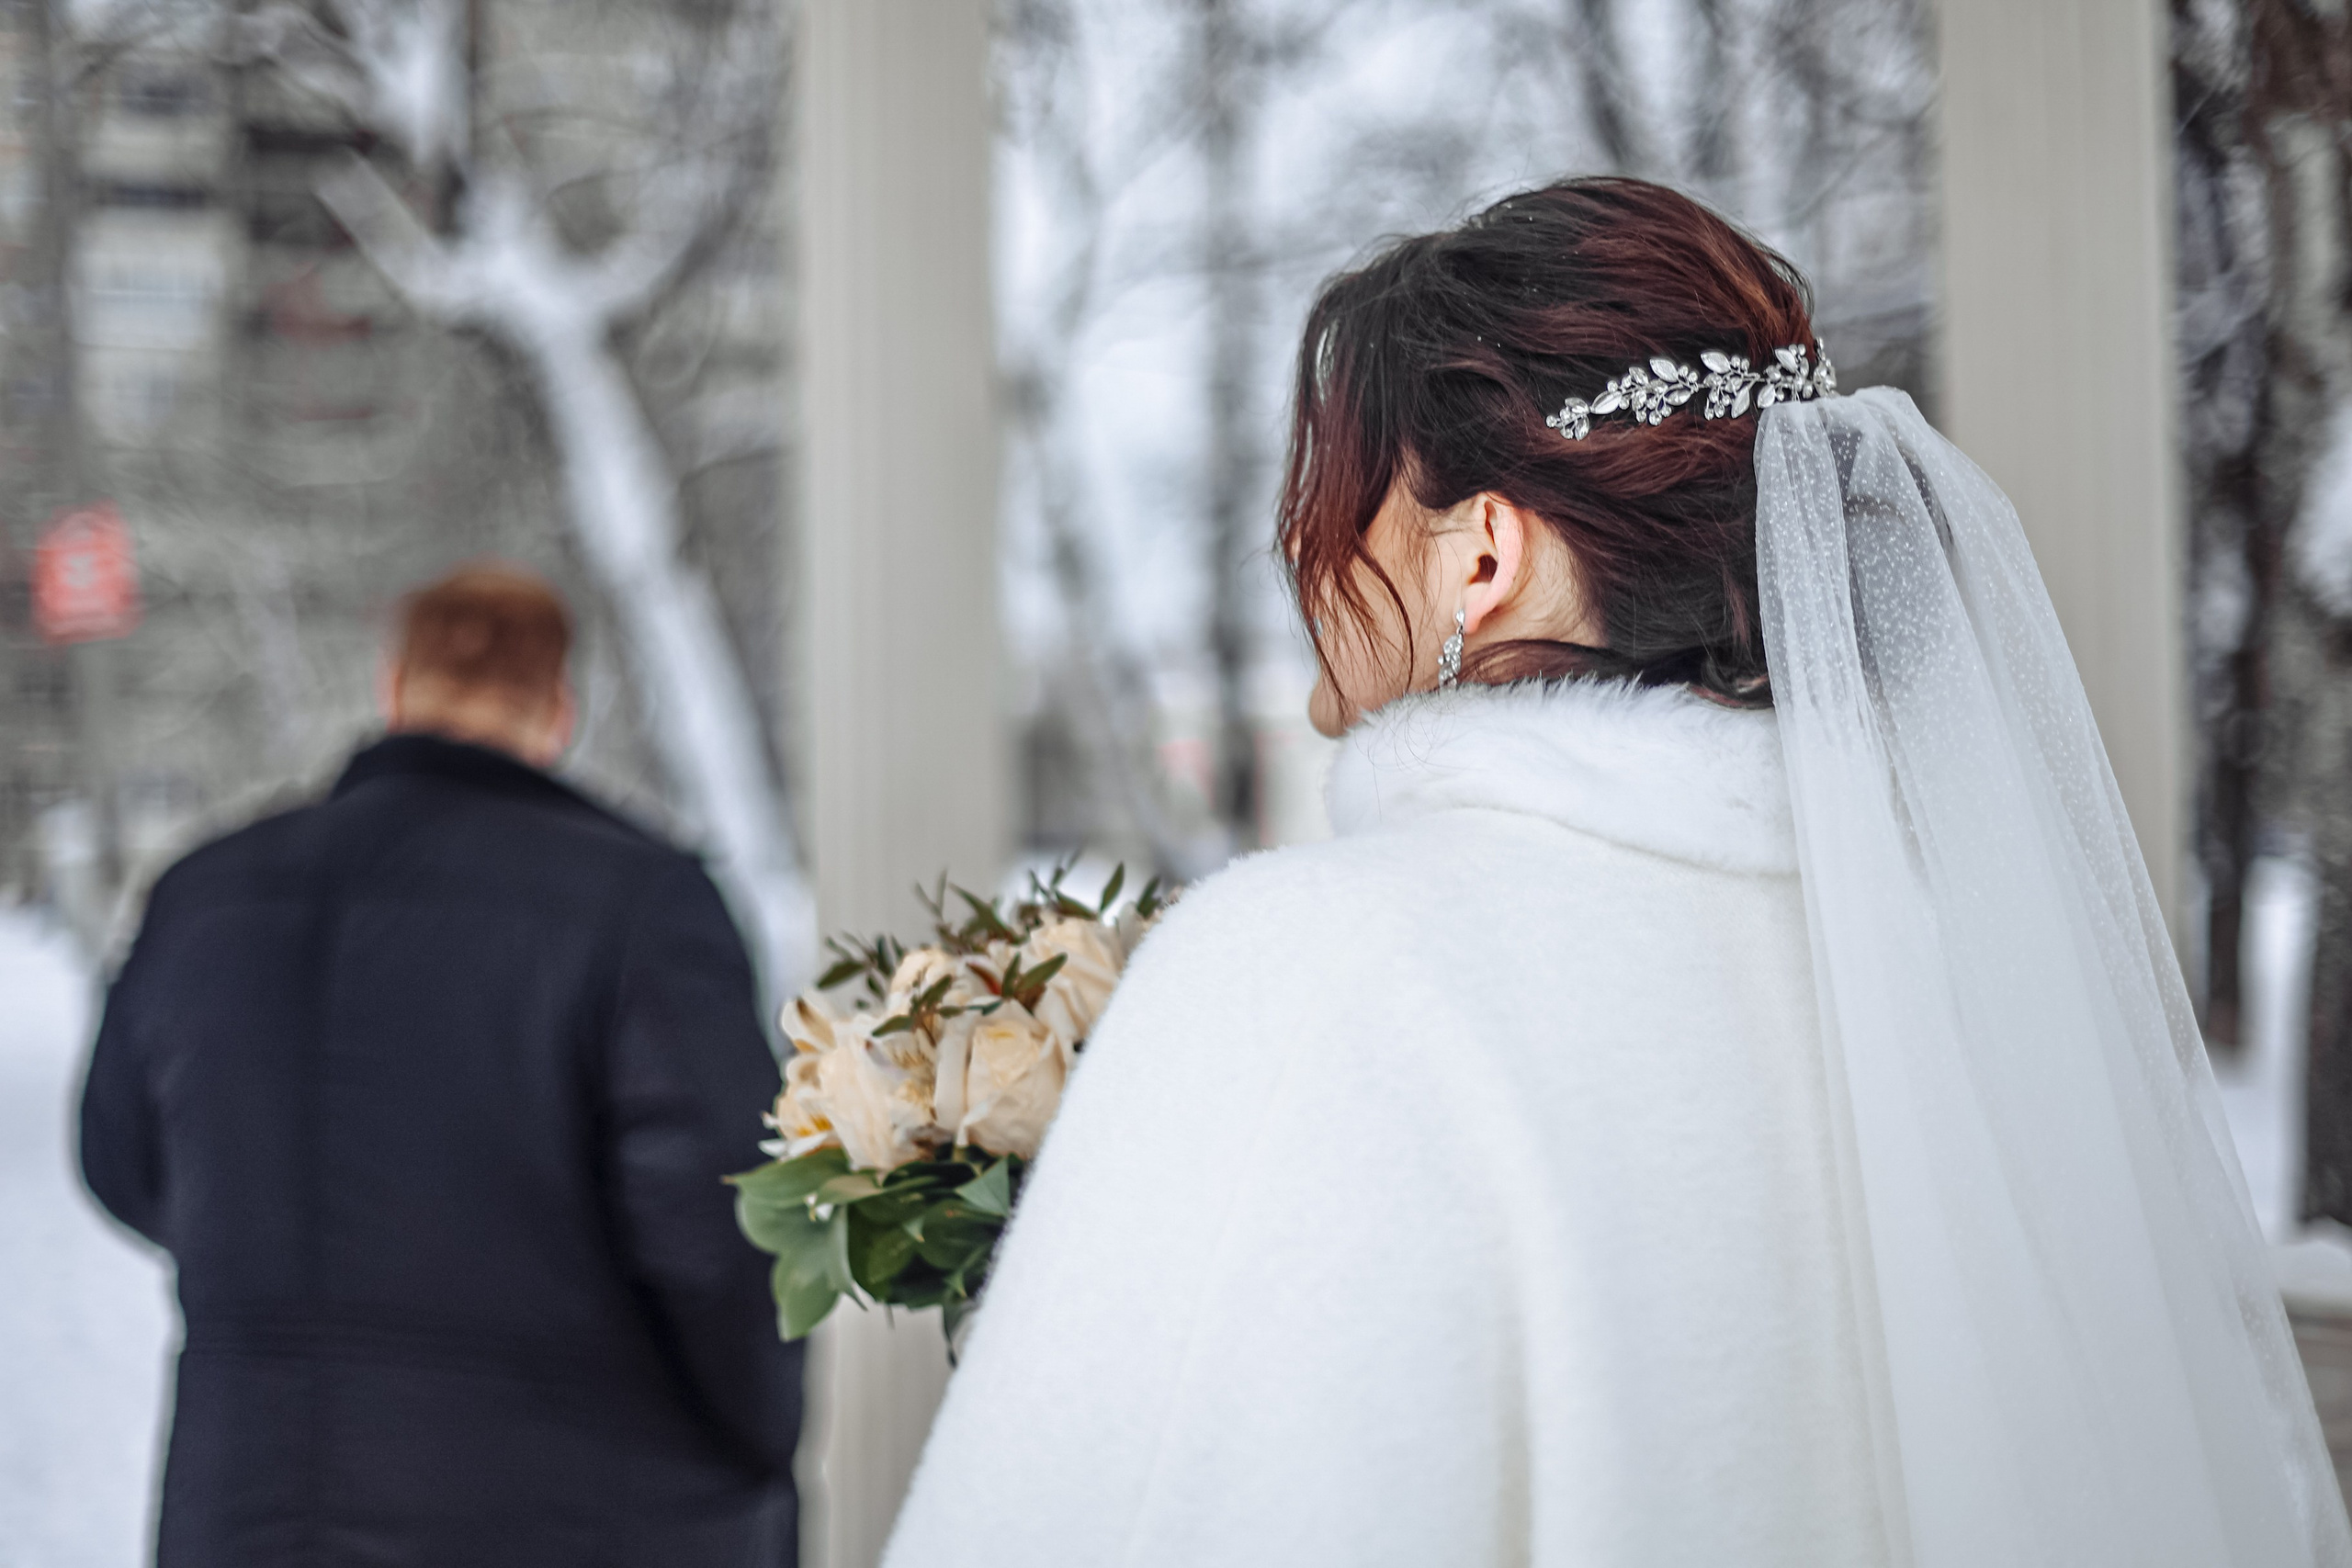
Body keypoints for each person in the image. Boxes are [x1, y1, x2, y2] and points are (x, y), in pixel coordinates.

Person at [884, 179, 2352, 1566]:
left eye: (1329, 492)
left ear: (1481, 557)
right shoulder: (1971, 972)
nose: (1297, 550)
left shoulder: (1313, 972)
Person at [79, 565, 802, 1566]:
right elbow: (725, 1235)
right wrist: (762, 1438)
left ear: (394, 688)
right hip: (570, 1512)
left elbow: (120, 1161)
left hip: (246, 1511)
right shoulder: (641, 905)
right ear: (558, 708)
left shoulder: (204, 895)